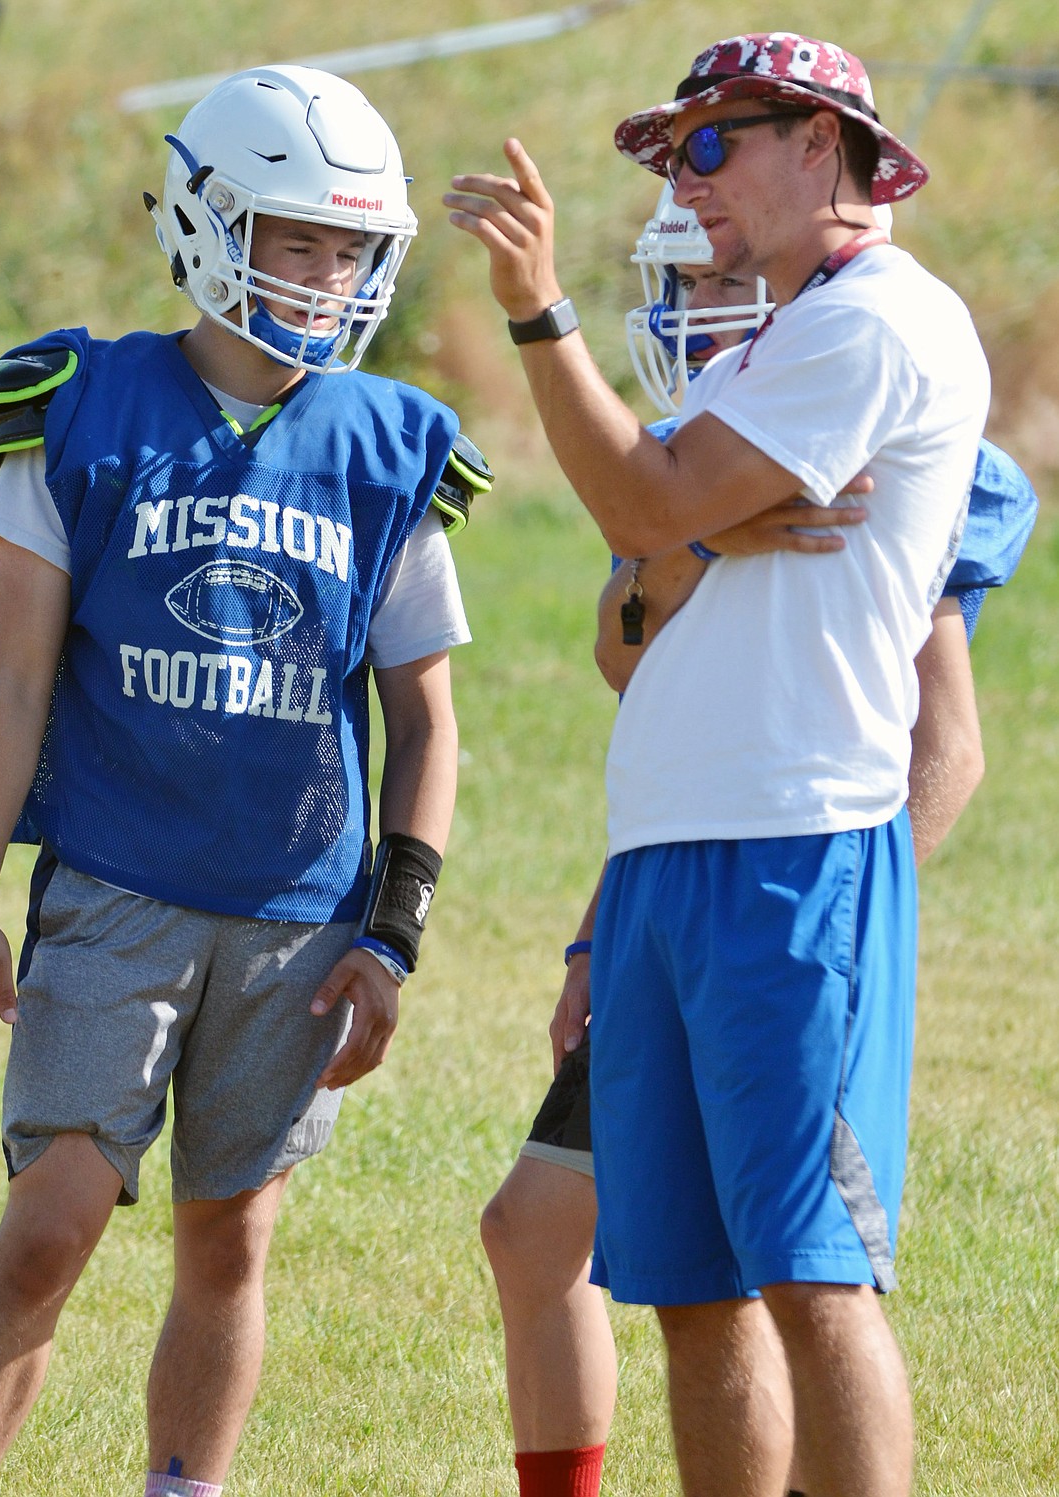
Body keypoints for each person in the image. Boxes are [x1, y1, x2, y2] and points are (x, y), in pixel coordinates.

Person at [0, 64, 491, 1497]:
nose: (324, 275)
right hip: (118, 885)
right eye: (295, 237)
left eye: (350, 248)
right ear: (205, 217)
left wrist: (393, 933)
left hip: (300, 912)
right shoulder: (84, 405)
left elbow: (425, 719)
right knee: (51, 1220)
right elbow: (13, 683)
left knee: (229, 1236)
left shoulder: (388, 447)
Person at [448, 31, 993, 1496]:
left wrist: (537, 311)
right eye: (667, 158)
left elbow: (638, 498)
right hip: (669, 853)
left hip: (790, 847)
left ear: (819, 144)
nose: (682, 191)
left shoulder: (874, 318)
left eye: (706, 148)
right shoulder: (764, 339)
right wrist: (679, 531)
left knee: (813, 1277)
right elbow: (623, 628)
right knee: (688, 1287)